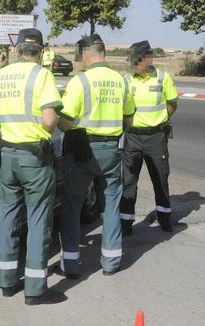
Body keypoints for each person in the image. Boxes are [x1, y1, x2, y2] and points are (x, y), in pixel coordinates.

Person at [0, 28, 66, 305]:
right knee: (37, 221)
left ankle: (7, 283)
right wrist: (42, 127)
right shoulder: (42, 75)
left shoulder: (0, 75)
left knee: (8, 218)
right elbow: (49, 120)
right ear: (42, 50)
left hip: (7, 156)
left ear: (17, 49)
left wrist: (1, 131)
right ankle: (35, 289)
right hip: (34, 157)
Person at [57, 34, 135, 277]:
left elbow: (65, 124)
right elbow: (129, 118)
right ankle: (111, 262)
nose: (79, 60)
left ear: (89, 53)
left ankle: (70, 264)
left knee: (72, 204)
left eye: (80, 55)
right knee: (110, 204)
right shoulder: (121, 81)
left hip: (82, 151)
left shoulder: (80, 82)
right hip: (112, 150)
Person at [120, 40, 178, 235]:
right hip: (133, 137)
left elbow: (172, 104)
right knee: (128, 182)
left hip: (156, 138)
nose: (133, 64)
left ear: (148, 58)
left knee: (160, 179)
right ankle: (126, 223)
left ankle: (164, 219)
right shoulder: (127, 80)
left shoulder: (163, 78)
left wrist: (159, 121)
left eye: (136, 60)